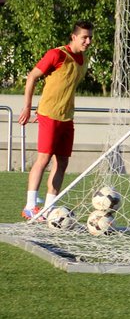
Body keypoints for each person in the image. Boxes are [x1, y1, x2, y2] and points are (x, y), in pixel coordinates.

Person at [18, 21, 93, 220]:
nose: (88, 41)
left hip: (67, 117)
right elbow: (32, 77)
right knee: (43, 159)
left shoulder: (84, 58)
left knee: (62, 162)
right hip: (49, 115)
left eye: (90, 37)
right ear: (74, 37)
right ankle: (30, 206)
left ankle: (49, 207)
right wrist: (27, 107)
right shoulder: (57, 54)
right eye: (84, 37)